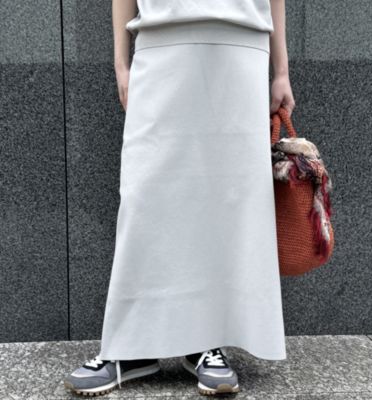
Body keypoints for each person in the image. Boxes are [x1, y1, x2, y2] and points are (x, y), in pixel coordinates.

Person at [64, 0, 295, 396]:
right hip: (160, 41)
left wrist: (281, 72)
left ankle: (206, 343)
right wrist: (121, 64)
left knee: (224, 203)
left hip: (241, 44)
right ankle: (129, 348)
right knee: (144, 197)